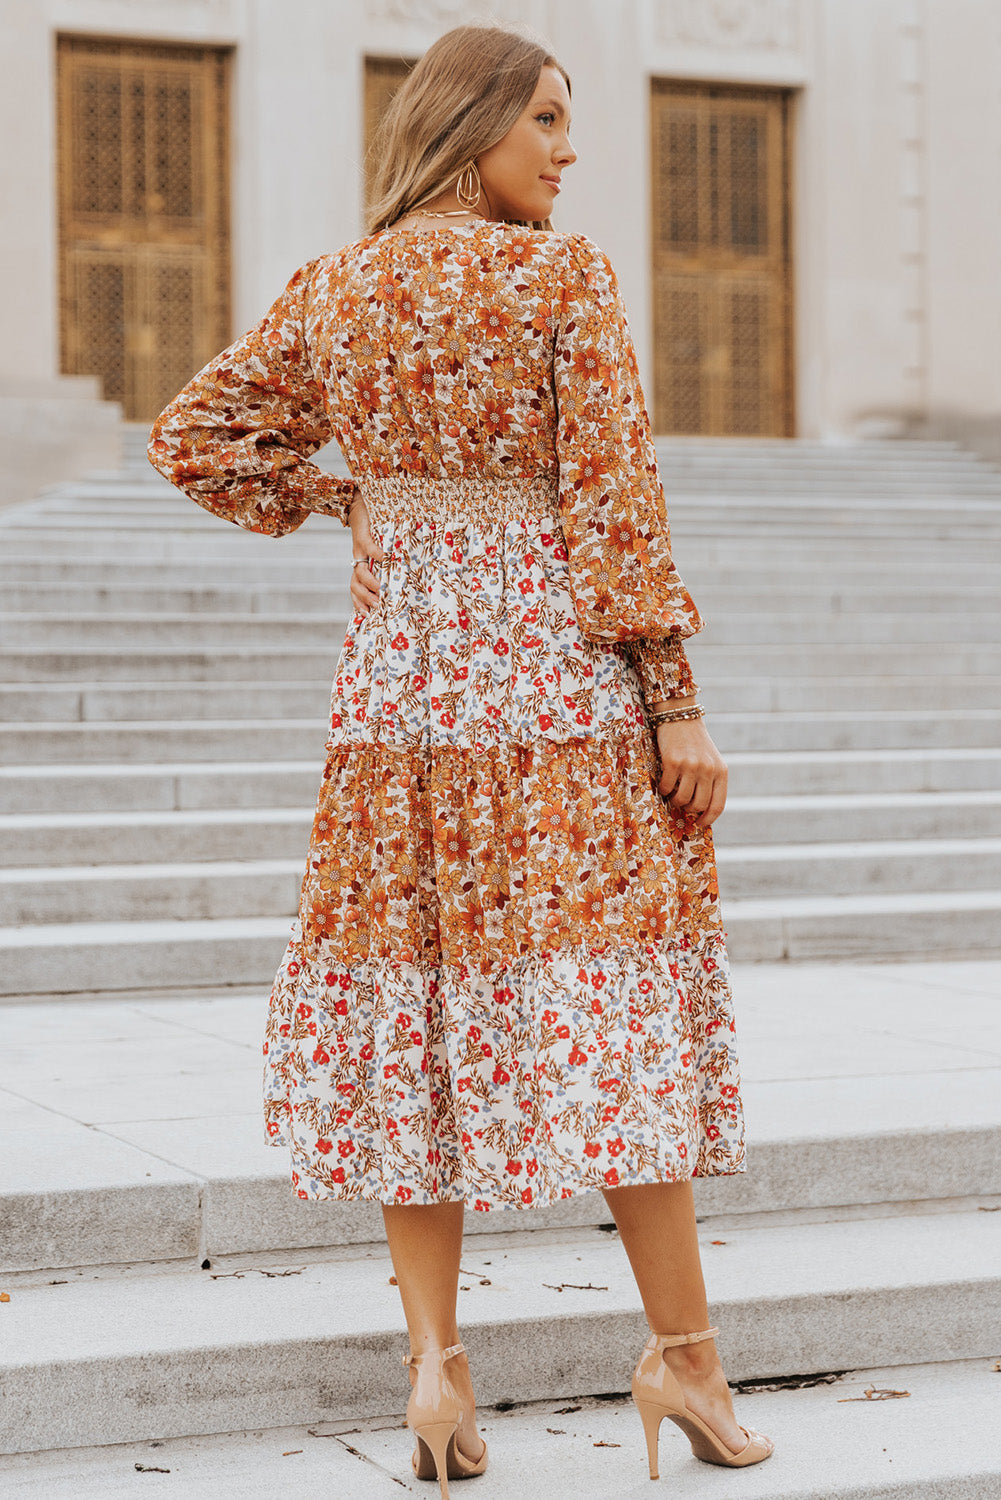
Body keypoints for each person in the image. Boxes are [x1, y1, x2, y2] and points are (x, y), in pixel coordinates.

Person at [148, 22, 773, 1494]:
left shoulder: (339, 283)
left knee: (414, 1010)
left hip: (400, 707)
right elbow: (614, 503)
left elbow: (193, 435)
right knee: (612, 1003)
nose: (568, 151)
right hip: (552, 692)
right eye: (547, 121)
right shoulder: (559, 277)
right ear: (474, 121)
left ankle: (434, 1370)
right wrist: (674, 701)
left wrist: (337, 496)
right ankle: (682, 1360)